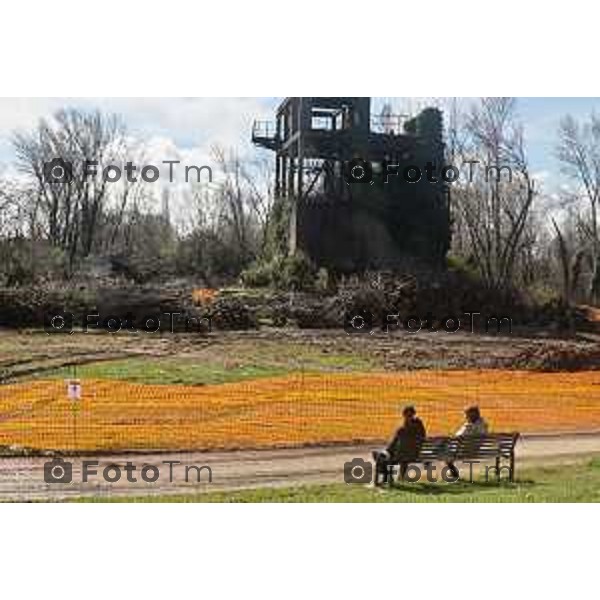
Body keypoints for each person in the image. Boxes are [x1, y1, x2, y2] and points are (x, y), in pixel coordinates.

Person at [373, 405, 426, 485]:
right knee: (390, 455)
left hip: (402, 455)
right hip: (415, 454)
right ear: (414, 414)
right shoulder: (419, 427)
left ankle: (384, 477)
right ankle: (391, 476)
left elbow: (393, 444)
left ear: (404, 415)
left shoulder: (402, 430)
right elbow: (422, 439)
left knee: (383, 459)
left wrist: (387, 451)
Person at [446, 406, 488, 478]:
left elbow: (459, 436)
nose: (465, 417)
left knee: (445, 452)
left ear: (472, 415)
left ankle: (454, 473)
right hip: (476, 450)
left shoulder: (469, 427)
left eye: (466, 415)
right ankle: (453, 472)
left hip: (465, 450)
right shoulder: (484, 425)